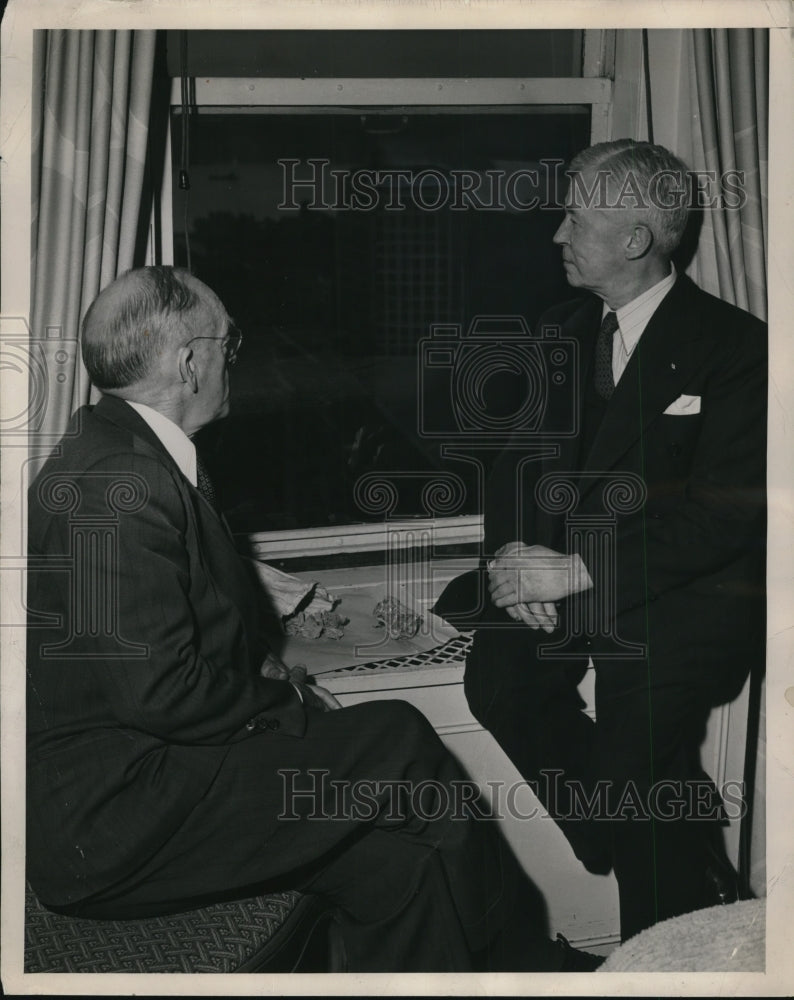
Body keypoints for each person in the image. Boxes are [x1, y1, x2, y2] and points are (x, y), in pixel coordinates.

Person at [26, 265, 603, 972]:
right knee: (396, 735)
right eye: (229, 344)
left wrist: (267, 671)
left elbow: (163, 643)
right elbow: (159, 693)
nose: (235, 361)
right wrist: (288, 699)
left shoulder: (121, 454)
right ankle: (520, 962)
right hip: (118, 817)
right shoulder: (119, 484)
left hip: (149, 781)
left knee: (402, 870)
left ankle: (484, 968)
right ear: (189, 361)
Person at [455, 140, 767, 942]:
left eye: (574, 218)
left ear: (635, 239)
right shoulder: (557, 332)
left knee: (636, 761)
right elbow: (514, 473)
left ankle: (659, 947)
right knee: (500, 681)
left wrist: (579, 571)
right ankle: (655, 843)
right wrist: (520, 570)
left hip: (684, 596)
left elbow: (727, 515)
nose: (557, 235)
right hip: (565, 581)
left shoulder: (739, 349)